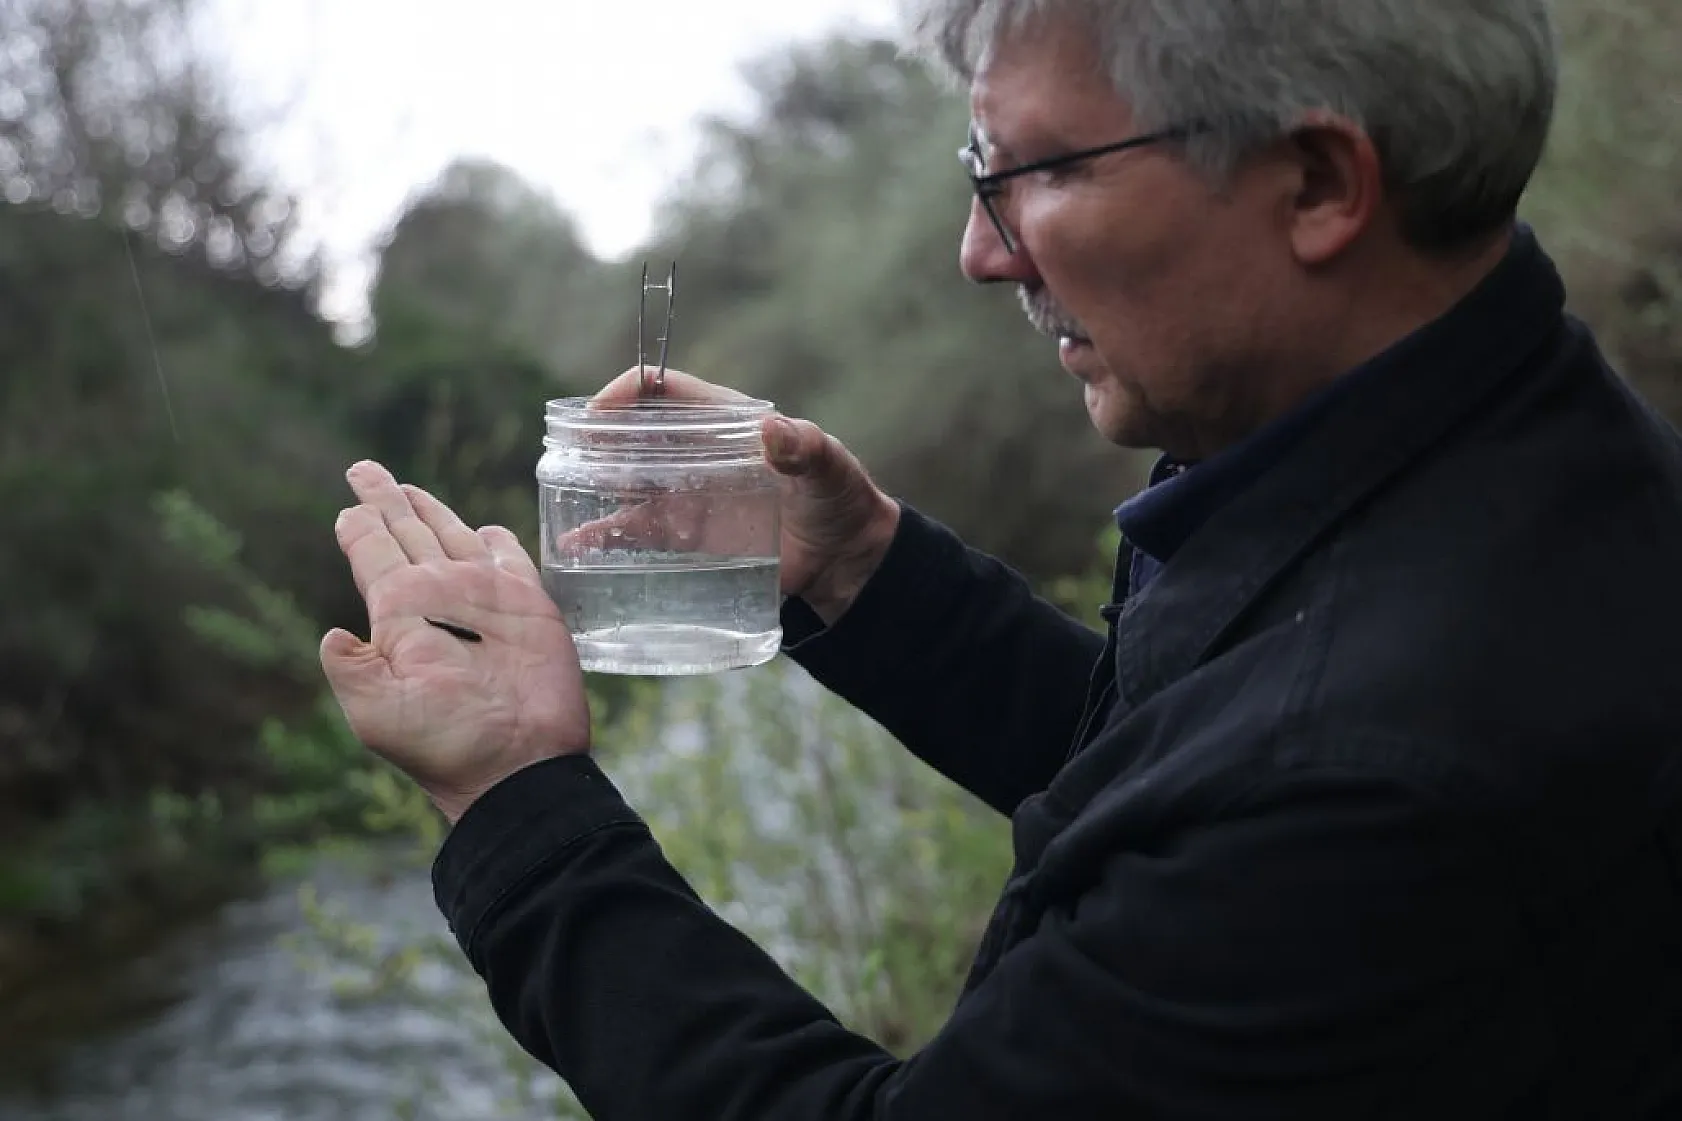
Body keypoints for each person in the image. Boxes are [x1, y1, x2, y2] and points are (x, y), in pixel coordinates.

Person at [320, 1, 1682, 1117]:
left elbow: (1270, 798)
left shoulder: (1381, 764)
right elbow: (1174, 786)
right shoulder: (1497, 450)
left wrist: (514, 800)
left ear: (1318, 182)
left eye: (1033, 171)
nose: (980, 252)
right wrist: (864, 573)